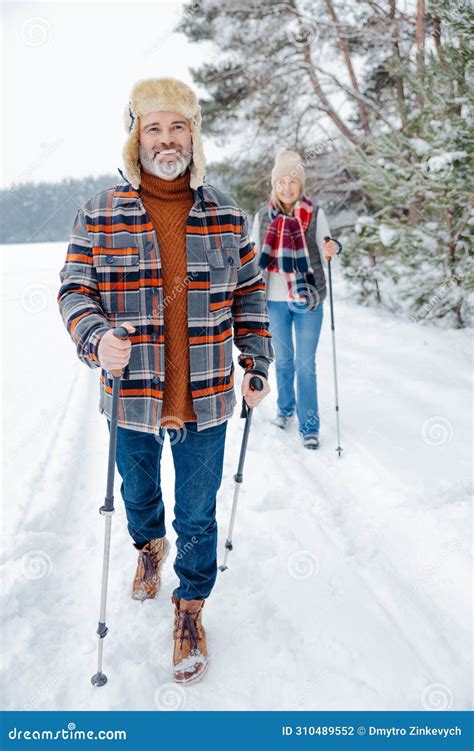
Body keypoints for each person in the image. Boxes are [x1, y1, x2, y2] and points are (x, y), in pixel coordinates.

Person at [57, 77, 273, 684]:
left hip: (204, 397)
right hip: (130, 397)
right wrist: (97, 336)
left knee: (199, 515)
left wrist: (256, 360)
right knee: (138, 497)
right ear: (135, 137)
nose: (167, 138)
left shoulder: (227, 214)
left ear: (194, 135)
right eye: (154, 126)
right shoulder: (100, 211)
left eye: (178, 126)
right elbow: (75, 290)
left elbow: (251, 295)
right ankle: (148, 548)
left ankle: (189, 609)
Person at [251, 150, 341, 450]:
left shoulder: (314, 215)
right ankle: (285, 409)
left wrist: (332, 250)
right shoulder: (263, 217)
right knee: (284, 362)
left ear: (300, 184)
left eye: (293, 181)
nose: (287, 187)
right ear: (274, 185)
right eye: (282, 182)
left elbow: (328, 248)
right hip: (274, 300)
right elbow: (252, 258)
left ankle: (309, 426)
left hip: (308, 299)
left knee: (305, 365)